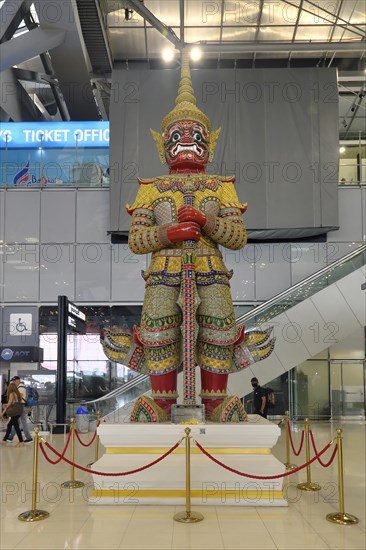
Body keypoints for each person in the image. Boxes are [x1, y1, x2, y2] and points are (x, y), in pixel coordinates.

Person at [101, 50, 275, 422]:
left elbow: (237, 237)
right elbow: (136, 239)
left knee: (217, 327)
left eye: (194, 135)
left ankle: (215, 398)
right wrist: (170, 232)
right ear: (163, 142)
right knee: (158, 327)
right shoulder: (152, 186)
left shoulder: (220, 185)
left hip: (212, 270)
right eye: (176, 135)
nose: (185, 141)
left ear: (208, 142)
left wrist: (206, 223)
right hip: (164, 270)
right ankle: (162, 398)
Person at [5, 376, 33, 443]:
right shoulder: (19, 387)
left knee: (22, 422)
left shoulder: (21, 387)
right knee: (17, 422)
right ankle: (10, 437)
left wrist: (11, 398)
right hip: (19, 406)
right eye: (13, 381)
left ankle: (28, 437)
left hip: (20, 406)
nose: (14, 382)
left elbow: (19, 397)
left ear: (18, 380)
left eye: (15, 381)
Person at [0, 382, 25, 446]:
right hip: (19, 411)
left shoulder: (12, 394)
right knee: (10, 425)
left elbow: (9, 404)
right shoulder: (18, 394)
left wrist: (3, 412)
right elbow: (16, 402)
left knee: (16, 426)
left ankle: (21, 441)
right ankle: (4, 439)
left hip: (14, 412)